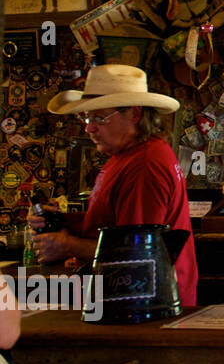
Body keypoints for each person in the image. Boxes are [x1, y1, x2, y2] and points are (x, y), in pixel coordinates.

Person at [30, 65, 198, 307]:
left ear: (134, 114)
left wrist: (66, 245)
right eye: (86, 117)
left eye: (99, 118)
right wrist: (61, 221)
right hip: (136, 298)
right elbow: (112, 223)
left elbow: (135, 252)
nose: (89, 128)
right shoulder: (129, 155)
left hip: (146, 305)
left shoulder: (144, 165)